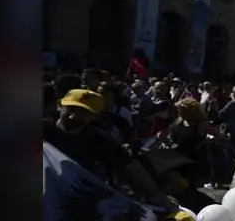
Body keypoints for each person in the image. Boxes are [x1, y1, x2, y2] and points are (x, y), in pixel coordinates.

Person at [43, 89, 172, 209]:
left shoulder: (100, 142)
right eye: (70, 109)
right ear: (59, 106)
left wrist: (155, 193)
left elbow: (129, 167)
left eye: (83, 112)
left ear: (94, 117)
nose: (73, 116)